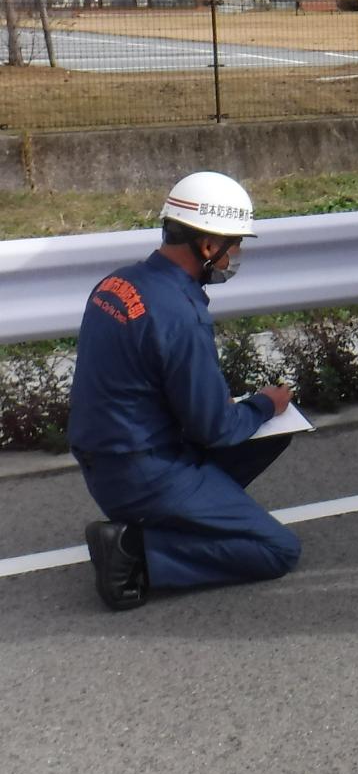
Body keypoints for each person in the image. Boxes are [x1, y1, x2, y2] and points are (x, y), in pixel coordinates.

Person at [69, 172, 300, 611]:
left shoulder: (116, 283)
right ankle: (136, 550)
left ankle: (182, 517)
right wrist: (264, 404)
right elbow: (214, 428)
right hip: (144, 473)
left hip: (106, 460)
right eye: (235, 245)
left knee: (271, 431)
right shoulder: (179, 313)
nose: (237, 256)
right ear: (209, 247)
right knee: (278, 550)